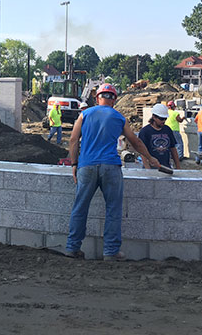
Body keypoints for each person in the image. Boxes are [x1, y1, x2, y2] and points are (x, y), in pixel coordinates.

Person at [65, 83, 161, 261]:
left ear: (97, 98)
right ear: (114, 99)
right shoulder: (119, 117)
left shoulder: (84, 114)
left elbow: (72, 140)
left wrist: (74, 164)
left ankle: (72, 247)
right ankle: (110, 251)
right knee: (113, 210)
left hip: (86, 166)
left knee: (80, 207)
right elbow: (136, 142)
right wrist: (150, 158)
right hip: (110, 167)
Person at [139, 103, 181, 170]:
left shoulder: (167, 130)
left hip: (166, 167)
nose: (164, 121)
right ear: (154, 117)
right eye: (161, 119)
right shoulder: (145, 132)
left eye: (165, 119)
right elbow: (142, 152)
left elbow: (173, 149)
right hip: (151, 169)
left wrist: (178, 167)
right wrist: (148, 170)